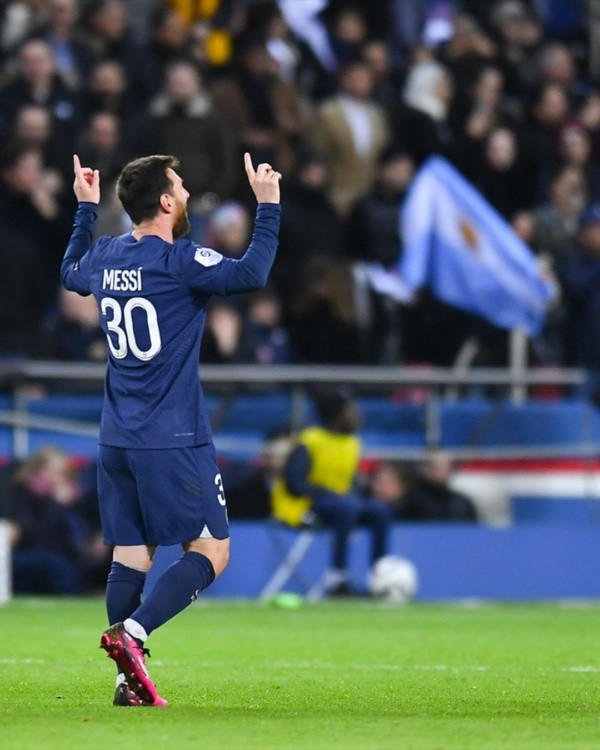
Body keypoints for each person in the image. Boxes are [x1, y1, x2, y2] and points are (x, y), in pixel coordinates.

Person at [61, 150, 281, 707]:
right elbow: (251, 273)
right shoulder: (180, 260)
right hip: (173, 436)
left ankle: (123, 682)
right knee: (212, 549)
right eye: (179, 186)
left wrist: (85, 210)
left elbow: (69, 273)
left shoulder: (107, 255)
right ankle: (133, 636)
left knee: (132, 551)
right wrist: (270, 207)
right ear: (164, 201)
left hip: (117, 436)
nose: (184, 194)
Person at [271, 390, 394, 596]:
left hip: (342, 506)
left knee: (379, 510)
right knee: (346, 507)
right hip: (303, 506)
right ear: (337, 414)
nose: (357, 415)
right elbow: (294, 483)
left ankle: (380, 576)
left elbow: (350, 483)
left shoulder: (352, 443)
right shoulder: (311, 440)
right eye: (351, 410)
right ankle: (337, 579)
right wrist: (325, 494)